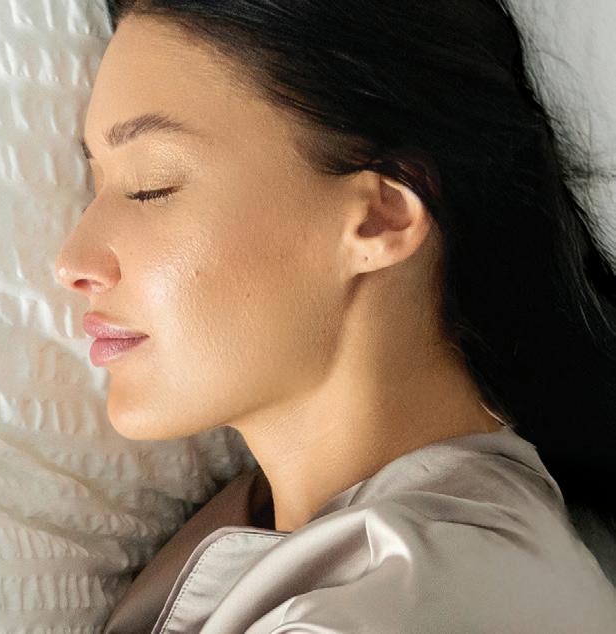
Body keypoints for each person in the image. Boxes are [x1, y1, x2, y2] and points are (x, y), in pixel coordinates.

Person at [54, 0, 616, 631]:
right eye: (95, 186)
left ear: (380, 217)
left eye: (151, 186)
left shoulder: (396, 606)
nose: (73, 262)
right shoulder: (296, 528)